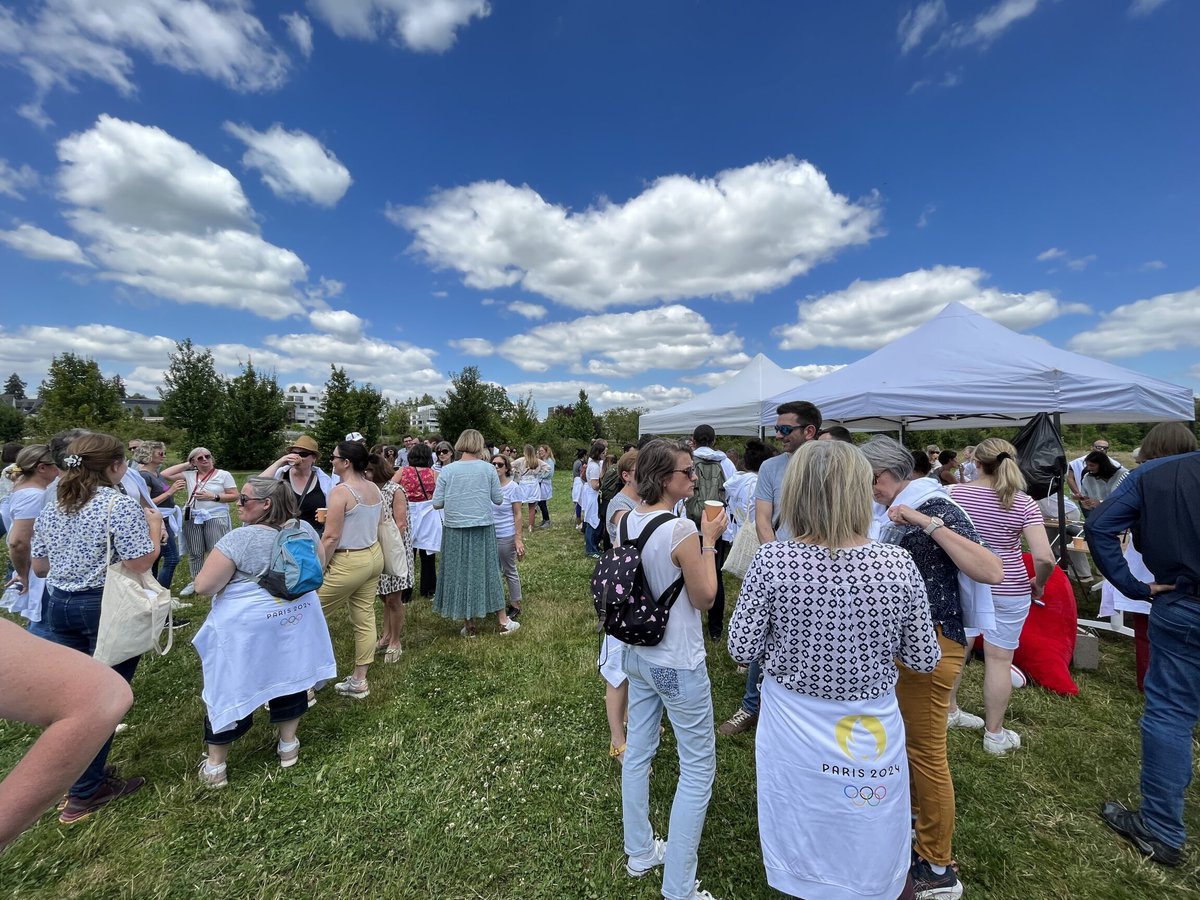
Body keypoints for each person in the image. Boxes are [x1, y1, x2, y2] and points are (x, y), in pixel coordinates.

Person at [729, 440, 938, 899]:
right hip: (868, 721)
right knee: (868, 820)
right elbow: (924, 657)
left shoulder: (773, 560)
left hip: (792, 721)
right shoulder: (895, 563)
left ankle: (808, 882)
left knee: (800, 816)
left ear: (796, 493)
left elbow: (742, 647)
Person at [860, 435, 1003, 899]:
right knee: (908, 745)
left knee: (925, 752)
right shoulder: (895, 506)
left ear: (885, 475)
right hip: (911, 642)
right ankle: (915, 832)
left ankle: (938, 867)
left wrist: (927, 523)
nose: (868, 490)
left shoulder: (932, 505)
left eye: (869, 480)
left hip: (933, 642)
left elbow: (991, 569)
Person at [30, 432, 161, 824]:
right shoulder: (117, 505)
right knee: (104, 699)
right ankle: (85, 792)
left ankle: (79, 776)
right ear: (116, 466)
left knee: (75, 697)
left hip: (58, 604)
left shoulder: (55, 503)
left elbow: (40, 566)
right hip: (103, 604)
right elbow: (139, 562)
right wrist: (154, 530)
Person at [619, 439, 727, 900]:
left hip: (637, 652)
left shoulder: (626, 519)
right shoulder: (681, 529)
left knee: (639, 752)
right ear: (665, 479)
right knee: (698, 768)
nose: (695, 477)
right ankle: (679, 887)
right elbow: (705, 598)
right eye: (688, 471)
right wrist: (709, 542)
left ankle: (640, 850)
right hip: (676, 659)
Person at [1087, 439, 1200, 868]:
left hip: (1185, 601)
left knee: (1171, 713)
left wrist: (1133, 586)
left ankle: (1162, 827)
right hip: (1185, 601)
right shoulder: (1155, 473)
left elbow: (1100, 526)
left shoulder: (1157, 473)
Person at [192, 477, 336, 787]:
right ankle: (288, 745)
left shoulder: (239, 539)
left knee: (230, 683)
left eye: (244, 499)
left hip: (248, 628)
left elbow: (204, 586)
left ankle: (216, 765)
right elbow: (319, 565)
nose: (238, 504)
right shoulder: (304, 530)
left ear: (266, 504)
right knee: (291, 674)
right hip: (295, 618)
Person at [947, 438, 1057, 753]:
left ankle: (949, 711)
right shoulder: (1024, 502)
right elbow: (1045, 557)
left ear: (976, 462)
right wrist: (1039, 583)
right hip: (1010, 586)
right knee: (999, 659)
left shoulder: (953, 494)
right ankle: (994, 735)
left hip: (965, 580)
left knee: (957, 650)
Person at [718, 401, 821, 737]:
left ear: (809, 431)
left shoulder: (830, 464)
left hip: (825, 567)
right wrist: (777, 560)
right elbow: (763, 518)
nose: (778, 436)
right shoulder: (771, 467)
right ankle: (750, 706)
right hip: (780, 564)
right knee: (765, 633)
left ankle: (800, 707)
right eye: (777, 429)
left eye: (785, 429)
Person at [0, 617, 134, 850]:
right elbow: (99, 698)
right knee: (87, 696)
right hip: (97, 609)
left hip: (60, 609)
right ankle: (86, 788)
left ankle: (85, 783)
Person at [1098, 424, 1198, 693]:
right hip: (1179, 569)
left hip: (1157, 567)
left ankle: (1150, 683)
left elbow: (1103, 525)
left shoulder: (1145, 476)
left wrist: (1131, 585)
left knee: (1149, 630)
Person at [431, 429, 518, 637]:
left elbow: (437, 503)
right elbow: (498, 499)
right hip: (482, 527)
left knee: (460, 573)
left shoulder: (448, 471)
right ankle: (503, 621)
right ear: (479, 444)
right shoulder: (488, 469)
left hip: (455, 529)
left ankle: (469, 624)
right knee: (489, 571)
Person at [317, 441, 385, 700]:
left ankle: (307, 684)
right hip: (373, 556)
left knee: (308, 614)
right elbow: (379, 521)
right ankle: (359, 680)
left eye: (334, 457)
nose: (331, 461)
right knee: (364, 617)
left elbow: (331, 537)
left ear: (346, 463)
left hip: (349, 561)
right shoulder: (373, 487)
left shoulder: (340, 492)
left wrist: (319, 568)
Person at [601, 449, 640, 764]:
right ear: (626, 476)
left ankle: (628, 716)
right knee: (617, 669)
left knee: (634, 663)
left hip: (638, 597)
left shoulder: (642, 503)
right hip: (621, 596)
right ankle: (618, 741)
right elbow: (632, 531)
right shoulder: (619, 506)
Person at [161, 448, 237, 597]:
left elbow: (234, 495)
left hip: (215, 516)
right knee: (195, 551)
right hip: (193, 516)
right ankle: (196, 581)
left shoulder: (223, 475)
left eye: (207, 456)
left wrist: (213, 496)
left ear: (212, 458)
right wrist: (188, 465)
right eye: (200, 458)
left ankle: (218, 581)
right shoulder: (190, 474)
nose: (204, 459)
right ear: (194, 462)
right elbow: (165, 474)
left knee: (216, 551)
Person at [1, 445, 58, 624]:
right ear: (42, 468)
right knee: (45, 626)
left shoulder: (26, 489)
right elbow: (18, 541)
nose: (59, 470)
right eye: (55, 465)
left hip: (35, 567)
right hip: (37, 570)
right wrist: (22, 574)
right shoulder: (34, 496)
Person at [690, 424, 737, 641]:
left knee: (687, 572)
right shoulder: (725, 462)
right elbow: (733, 494)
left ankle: (691, 623)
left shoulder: (688, 460)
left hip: (691, 525)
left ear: (694, 441)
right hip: (717, 526)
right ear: (714, 440)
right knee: (715, 574)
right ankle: (715, 629)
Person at [368, 453, 412, 663]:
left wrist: (389, 548)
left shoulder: (395, 490)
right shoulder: (367, 490)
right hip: (373, 547)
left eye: (368, 470)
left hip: (393, 550)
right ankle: (386, 636)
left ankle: (395, 641)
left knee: (394, 598)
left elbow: (401, 524)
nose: (365, 474)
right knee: (383, 596)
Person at [260, 435, 338, 534]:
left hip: (313, 535)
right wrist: (280, 462)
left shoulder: (324, 481)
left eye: (303, 454)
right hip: (283, 535)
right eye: (293, 453)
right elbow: (257, 486)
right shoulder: (281, 474)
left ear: (314, 458)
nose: (297, 457)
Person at [134, 441, 185, 591]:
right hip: (157, 520)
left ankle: (153, 591)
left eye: (165, 453)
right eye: (160, 453)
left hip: (166, 518)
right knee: (172, 558)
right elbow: (146, 503)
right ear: (149, 455)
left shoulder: (156, 474)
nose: (164, 456)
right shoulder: (144, 476)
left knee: (155, 559)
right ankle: (162, 592)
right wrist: (171, 492)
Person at [393, 442, 440, 600]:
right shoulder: (433, 473)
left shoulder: (403, 471)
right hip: (428, 515)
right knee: (428, 555)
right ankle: (429, 590)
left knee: (407, 554)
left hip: (406, 513)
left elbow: (390, 488)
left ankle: (405, 592)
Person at [491, 453, 526, 621]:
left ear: (506, 468)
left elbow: (517, 514)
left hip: (506, 534)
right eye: (493, 464)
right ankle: (495, 602)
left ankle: (515, 604)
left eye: (499, 464)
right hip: (489, 534)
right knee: (493, 570)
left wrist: (518, 538)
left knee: (509, 569)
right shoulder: (488, 486)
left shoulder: (513, 487)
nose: (496, 467)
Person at [1079, 450, 1128, 516]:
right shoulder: (1088, 478)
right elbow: (1085, 496)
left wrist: (1100, 502)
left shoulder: (1123, 475)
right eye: (1087, 465)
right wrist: (1086, 502)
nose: (1088, 468)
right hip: (1098, 514)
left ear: (1102, 465)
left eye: (1092, 465)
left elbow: (1127, 497)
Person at [512, 444, 547, 535]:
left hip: (524, 483)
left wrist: (516, 471)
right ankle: (530, 526)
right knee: (532, 506)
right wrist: (539, 472)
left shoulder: (521, 460)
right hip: (534, 483)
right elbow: (547, 467)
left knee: (519, 505)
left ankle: (517, 524)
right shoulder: (537, 461)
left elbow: (510, 465)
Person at [580, 440, 606, 558]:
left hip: (592, 495)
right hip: (593, 496)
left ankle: (594, 546)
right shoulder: (595, 467)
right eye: (603, 453)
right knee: (593, 522)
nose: (604, 455)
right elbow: (595, 485)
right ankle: (591, 549)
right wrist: (604, 482)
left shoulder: (592, 464)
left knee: (593, 521)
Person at [1066, 438, 1111, 505]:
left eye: (1105, 448)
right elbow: (1070, 478)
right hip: (1085, 498)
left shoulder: (1114, 464)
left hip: (1106, 500)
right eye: (1099, 447)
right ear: (1092, 447)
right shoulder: (1076, 463)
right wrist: (1078, 493)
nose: (1102, 449)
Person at [535, 445, 556, 528]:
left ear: (547, 451)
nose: (540, 452)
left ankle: (547, 520)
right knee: (540, 502)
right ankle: (544, 519)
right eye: (539, 451)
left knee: (542, 502)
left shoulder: (549, 461)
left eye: (542, 451)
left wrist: (540, 476)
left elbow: (549, 473)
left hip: (544, 483)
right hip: (540, 482)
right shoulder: (541, 460)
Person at [571, 448, 588, 530]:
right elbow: (582, 474)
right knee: (580, 502)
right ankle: (579, 521)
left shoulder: (576, 462)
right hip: (580, 482)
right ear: (584, 455)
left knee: (578, 502)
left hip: (576, 482)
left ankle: (579, 520)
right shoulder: (580, 463)